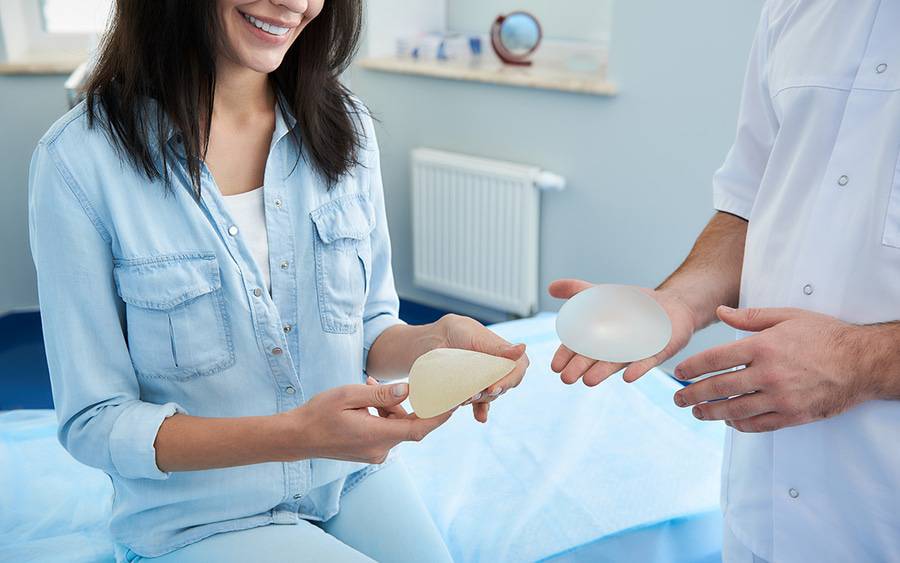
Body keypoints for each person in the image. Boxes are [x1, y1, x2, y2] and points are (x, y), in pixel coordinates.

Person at [28, 1, 528, 561]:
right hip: (203, 520)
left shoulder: (347, 128)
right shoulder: (79, 161)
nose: (296, 3)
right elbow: (95, 421)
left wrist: (438, 343)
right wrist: (297, 434)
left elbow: (365, 327)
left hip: (344, 478)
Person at [549, 2, 900, 561]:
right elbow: (750, 205)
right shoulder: (796, 10)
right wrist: (679, 302)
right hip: (762, 512)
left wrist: (860, 360)